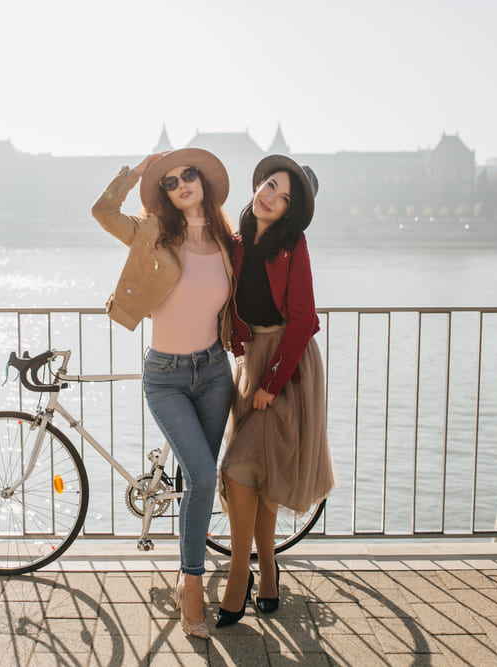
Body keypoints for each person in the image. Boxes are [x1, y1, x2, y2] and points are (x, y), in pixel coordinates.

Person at [91, 148, 236, 639]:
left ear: (203, 182)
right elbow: (102, 213)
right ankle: (190, 583)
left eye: (188, 175)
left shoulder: (226, 241)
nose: (181, 185)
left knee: (201, 480)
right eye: (170, 182)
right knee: (199, 474)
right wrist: (133, 174)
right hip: (167, 376)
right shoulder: (152, 232)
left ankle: (189, 569)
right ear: (165, 195)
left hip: (216, 371)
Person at [215, 155, 336, 627]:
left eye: (283, 197)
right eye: (269, 185)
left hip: (288, 370)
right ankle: (267, 572)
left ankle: (236, 579)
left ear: (291, 212)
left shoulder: (294, 246)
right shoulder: (239, 243)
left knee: (239, 468)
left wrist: (269, 384)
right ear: (258, 184)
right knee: (257, 477)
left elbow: (304, 320)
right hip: (252, 364)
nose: (270, 197)